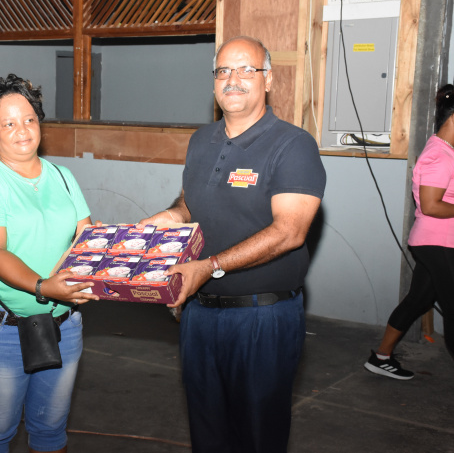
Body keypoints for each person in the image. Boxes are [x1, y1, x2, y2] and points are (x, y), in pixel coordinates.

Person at [140, 36, 326, 453]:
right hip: (200, 313)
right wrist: (172, 216)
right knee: (206, 430)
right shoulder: (201, 140)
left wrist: (208, 267)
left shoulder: (293, 145)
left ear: (268, 79)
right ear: (213, 82)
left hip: (263, 317)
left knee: (257, 434)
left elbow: (289, 231)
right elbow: (194, 198)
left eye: (247, 70)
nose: (233, 80)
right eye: (223, 71)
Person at [0, 74, 100, 453]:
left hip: (63, 324)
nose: (21, 130)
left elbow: (84, 241)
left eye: (29, 119)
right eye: (8, 122)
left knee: (51, 431)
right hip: (1, 327)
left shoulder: (64, 177)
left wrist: (110, 255)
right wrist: (42, 285)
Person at [364, 84, 454, 380]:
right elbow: (430, 205)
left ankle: (381, 357)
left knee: (418, 300)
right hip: (438, 242)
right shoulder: (439, 156)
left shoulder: (446, 151)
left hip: (436, 241)